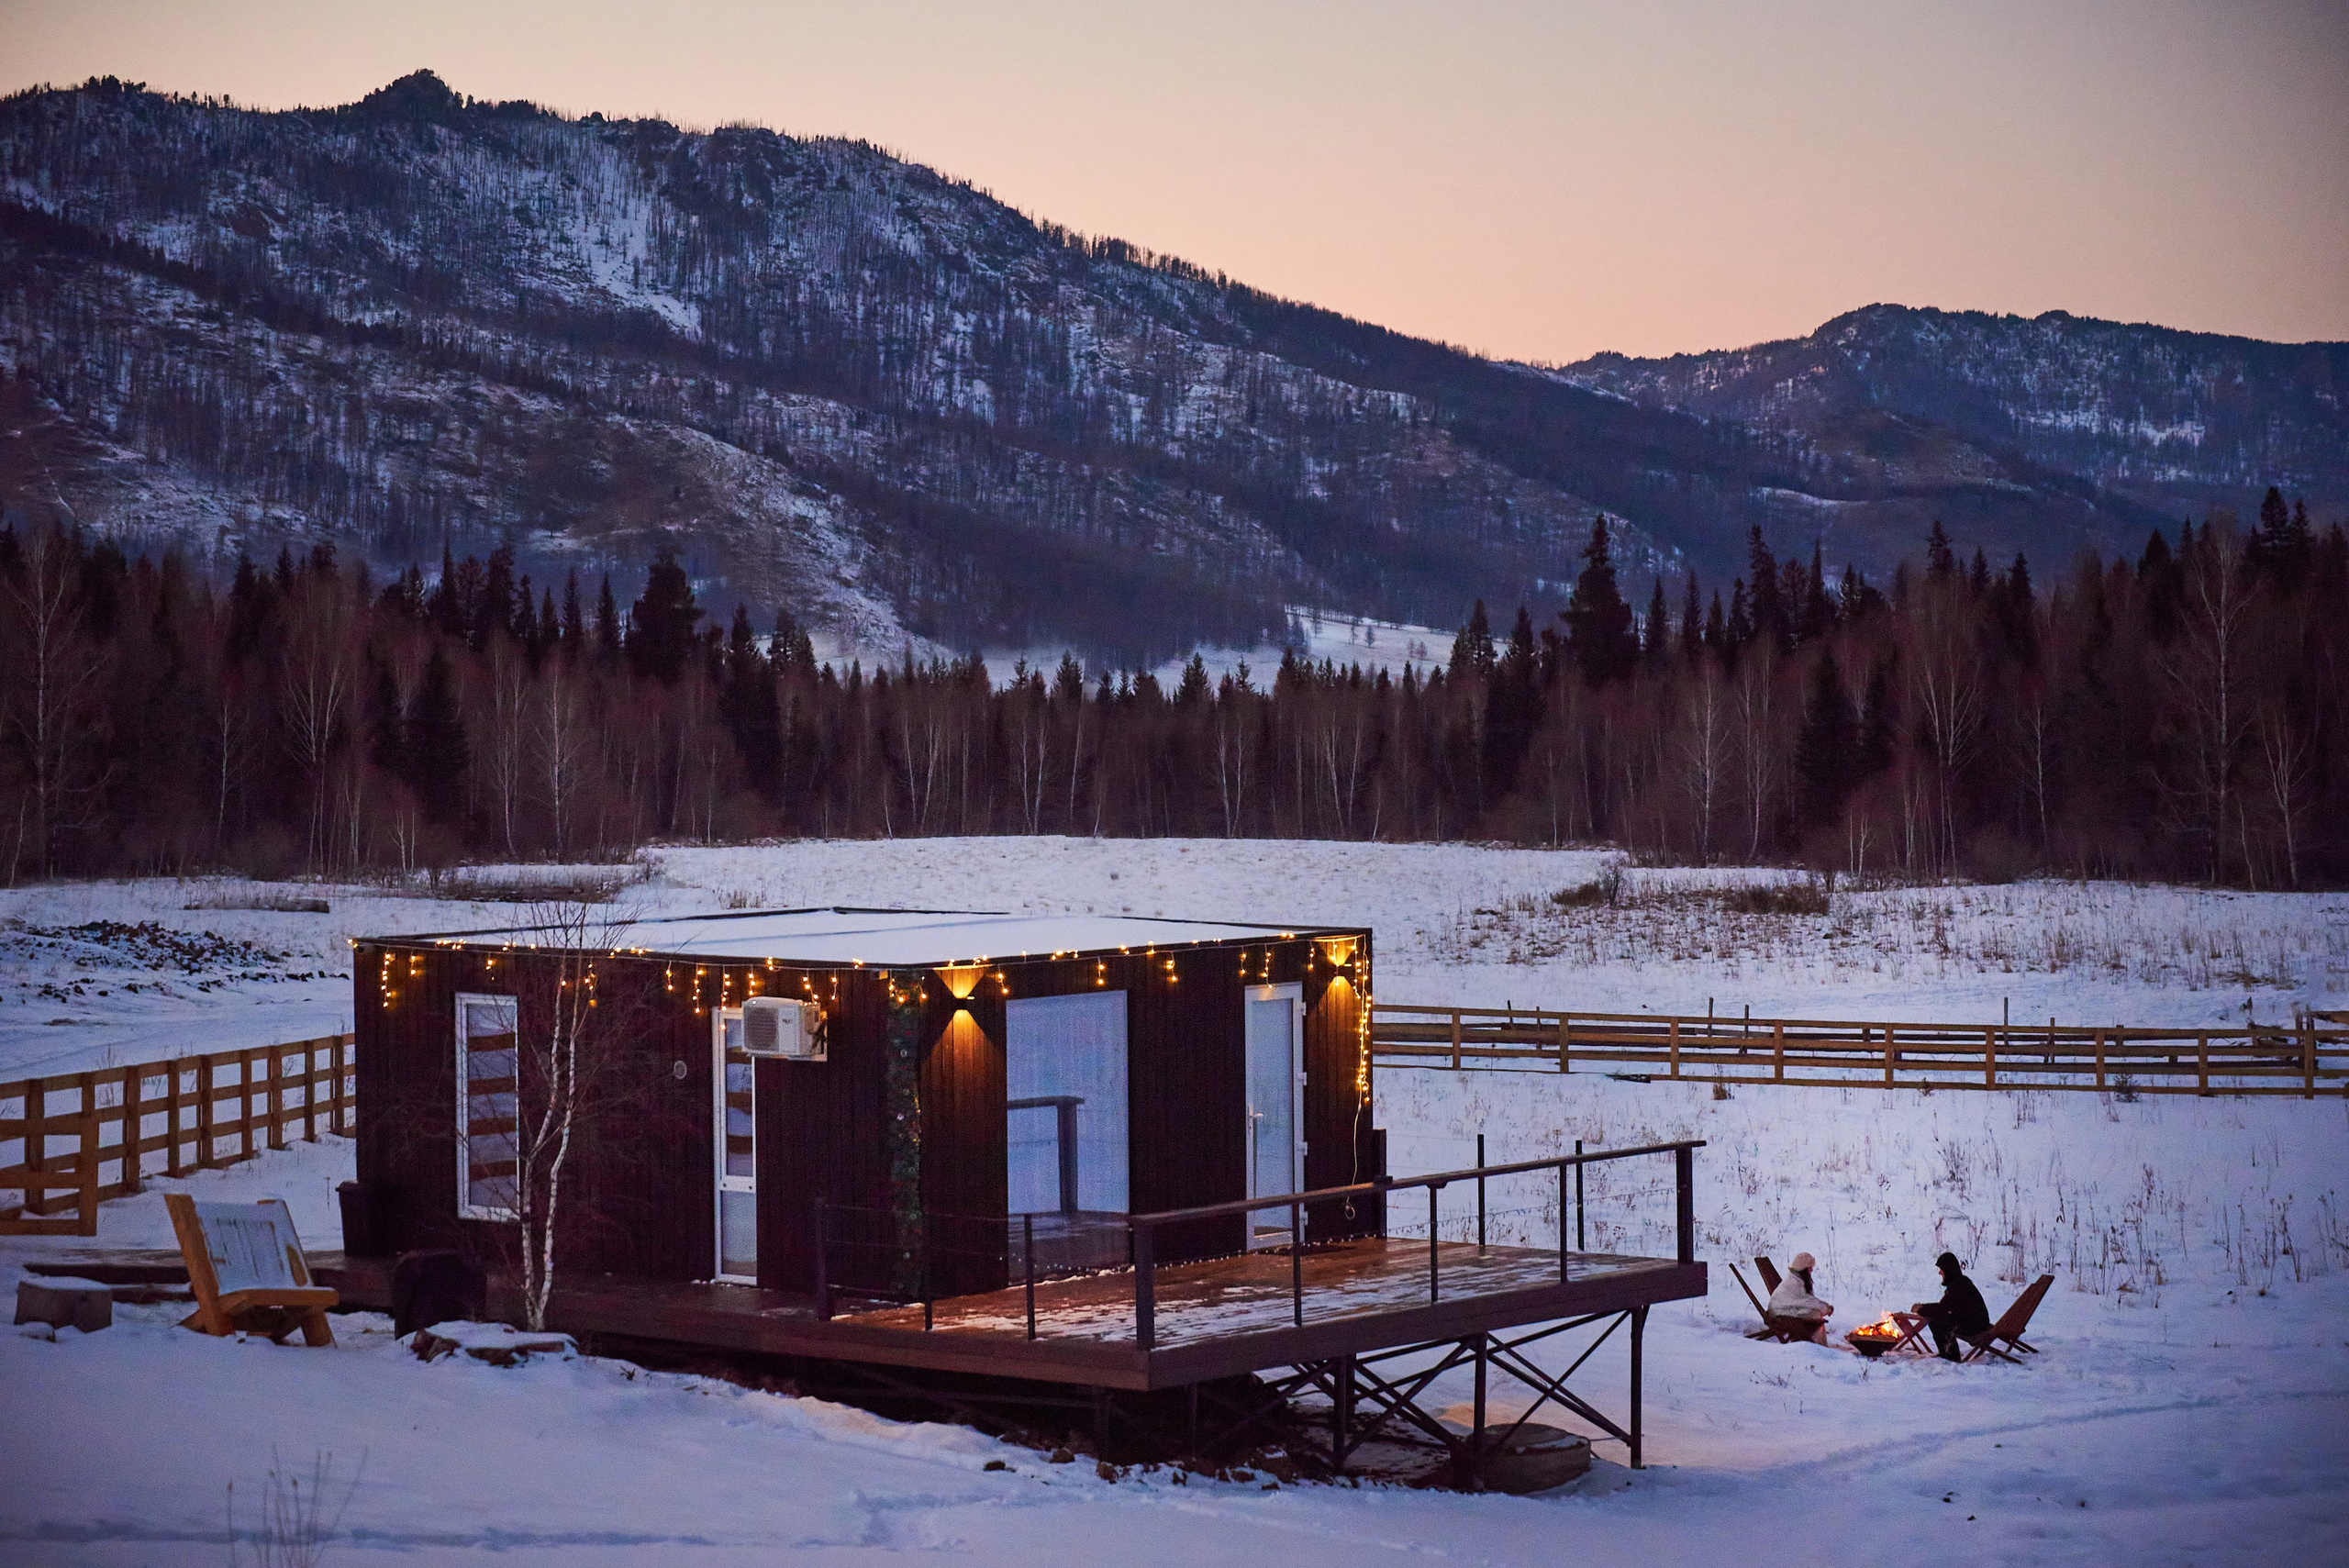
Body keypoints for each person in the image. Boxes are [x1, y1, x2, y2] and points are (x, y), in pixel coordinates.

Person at [1911, 1251, 1991, 1361]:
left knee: (1937, 1320)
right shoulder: (1960, 1283)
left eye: (1941, 1269)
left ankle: (1950, 1355)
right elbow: (1944, 1305)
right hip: (1975, 1323)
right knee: (1941, 1317)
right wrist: (1923, 1307)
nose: (1939, 1273)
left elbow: (1941, 1309)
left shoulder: (1959, 1286)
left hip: (1975, 1328)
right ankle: (1948, 1353)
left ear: (1947, 1270)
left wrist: (1921, 1309)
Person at [1766, 1251, 1833, 1343]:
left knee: (1815, 1312)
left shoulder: (1798, 1279)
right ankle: (1820, 1346)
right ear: (1803, 1268)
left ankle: (1817, 1344)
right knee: (1814, 1314)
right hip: (1779, 1314)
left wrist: (1825, 1305)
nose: (1811, 1270)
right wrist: (1824, 1308)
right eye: (1810, 1268)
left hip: (1786, 1310)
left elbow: (1807, 1299)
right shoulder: (1792, 1282)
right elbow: (1805, 1301)